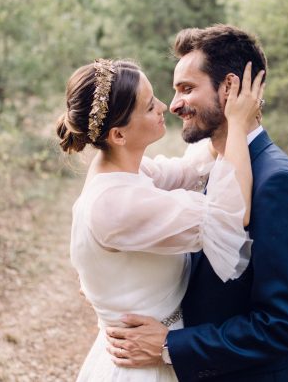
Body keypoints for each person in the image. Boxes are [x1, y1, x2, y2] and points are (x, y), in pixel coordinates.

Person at [105, 25, 288, 382]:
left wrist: (170, 346)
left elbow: (282, 324)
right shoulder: (211, 168)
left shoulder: (278, 182)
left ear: (230, 88)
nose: (174, 105)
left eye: (186, 89)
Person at [56, 58, 265, 382]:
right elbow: (228, 215)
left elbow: (187, 170)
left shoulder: (128, 172)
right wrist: (237, 125)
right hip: (144, 367)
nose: (164, 106)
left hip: (153, 354)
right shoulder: (116, 202)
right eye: (149, 105)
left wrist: (222, 115)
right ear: (118, 135)